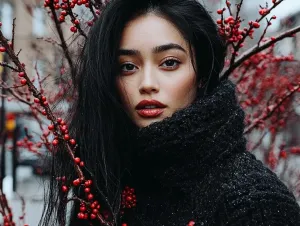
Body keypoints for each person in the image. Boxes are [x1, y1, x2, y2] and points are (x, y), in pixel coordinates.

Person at [40, 0, 300, 225]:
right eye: (128, 67)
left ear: (201, 74)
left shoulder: (254, 205)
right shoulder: (106, 180)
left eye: (169, 63)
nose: (147, 83)